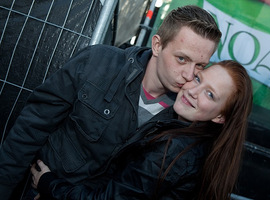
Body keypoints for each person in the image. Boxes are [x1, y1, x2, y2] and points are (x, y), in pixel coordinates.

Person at [0, 5, 222, 200]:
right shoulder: (98, 63)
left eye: (200, 65)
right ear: (157, 45)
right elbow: (30, 129)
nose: (189, 74)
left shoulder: (184, 120)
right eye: (182, 59)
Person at [30, 60, 253, 200]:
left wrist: (49, 184)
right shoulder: (196, 143)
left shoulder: (174, 150)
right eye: (198, 78)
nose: (194, 90)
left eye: (210, 94)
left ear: (219, 116)